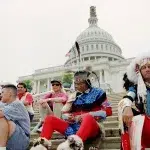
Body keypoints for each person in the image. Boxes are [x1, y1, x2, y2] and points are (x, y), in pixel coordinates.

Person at [30, 70, 112, 150]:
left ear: (88, 82)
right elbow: (64, 113)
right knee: (50, 119)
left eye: (80, 83)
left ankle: (74, 146)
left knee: (88, 117)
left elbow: (108, 111)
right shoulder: (73, 95)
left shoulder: (99, 92)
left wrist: (87, 115)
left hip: (92, 127)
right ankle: (40, 146)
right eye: (76, 84)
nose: (77, 86)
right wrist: (67, 116)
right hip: (72, 128)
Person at [118, 51, 150, 149]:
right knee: (124, 111)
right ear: (139, 72)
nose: (147, 69)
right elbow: (128, 97)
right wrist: (127, 107)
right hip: (146, 125)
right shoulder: (136, 88)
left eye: (149, 66)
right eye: (144, 68)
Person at [0, 84, 30, 150]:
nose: (0, 94)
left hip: (22, 139)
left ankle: (2, 148)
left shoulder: (17, 104)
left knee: (2, 119)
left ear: (10, 93)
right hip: (15, 137)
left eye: (2, 92)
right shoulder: (5, 104)